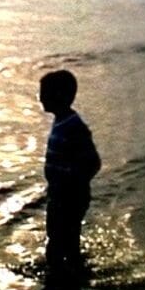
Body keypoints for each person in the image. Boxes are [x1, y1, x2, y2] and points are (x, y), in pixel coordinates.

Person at [39, 69, 101, 276]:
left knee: (61, 239)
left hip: (70, 197)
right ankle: (70, 271)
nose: (40, 97)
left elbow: (93, 162)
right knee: (59, 237)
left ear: (61, 96)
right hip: (58, 195)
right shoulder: (61, 122)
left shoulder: (74, 126)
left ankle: (62, 277)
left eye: (45, 92)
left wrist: (71, 185)